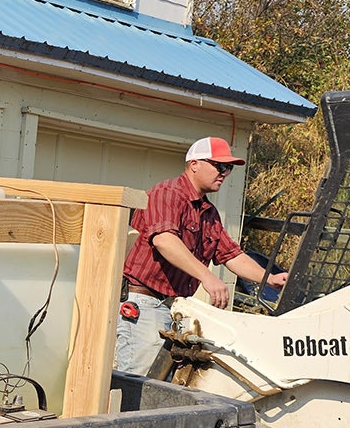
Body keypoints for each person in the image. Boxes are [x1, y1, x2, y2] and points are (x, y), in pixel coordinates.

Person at [114, 136, 289, 375]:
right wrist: (207, 277)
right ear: (194, 164)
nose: (224, 173)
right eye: (219, 166)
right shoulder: (167, 193)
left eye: (227, 169)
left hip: (171, 307)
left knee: (162, 383)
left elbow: (231, 255)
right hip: (143, 303)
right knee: (140, 382)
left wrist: (270, 278)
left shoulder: (208, 212)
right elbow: (164, 240)